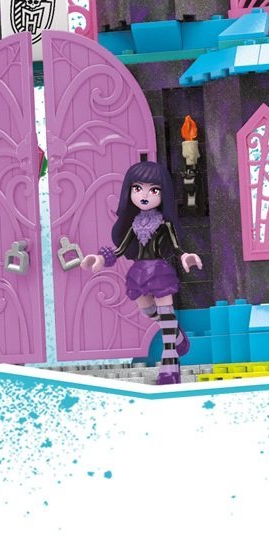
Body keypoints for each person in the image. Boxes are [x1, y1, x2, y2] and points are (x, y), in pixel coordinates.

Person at [81, 160, 203, 384]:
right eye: (138, 188)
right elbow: (119, 250)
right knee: (148, 311)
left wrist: (186, 256)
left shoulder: (165, 224)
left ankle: (170, 363)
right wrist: (100, 258)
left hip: (159, 270)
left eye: (153, 190)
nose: (144, 195)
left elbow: (176, 247)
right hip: (139, 272)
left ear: (163, 194)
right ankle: (177, 336)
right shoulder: (133, 224)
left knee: (166, 312)